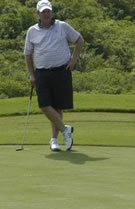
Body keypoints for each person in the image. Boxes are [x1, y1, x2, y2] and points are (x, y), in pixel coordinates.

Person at [24, 0, 84, 152]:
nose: (46, 13)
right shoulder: (32, 31)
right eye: (43, 11)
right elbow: (28, 54)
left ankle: (54, 140)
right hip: (42, 72)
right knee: (44, 104)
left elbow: (79, 40)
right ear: (38, 13)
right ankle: (65, 130)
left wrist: (74, 59)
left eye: (48, 11)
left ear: (51, 12)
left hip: (61, 70)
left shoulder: (62, 26)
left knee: (58, 106)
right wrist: (31, 75)